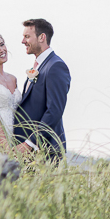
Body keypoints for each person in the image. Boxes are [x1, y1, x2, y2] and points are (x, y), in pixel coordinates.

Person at [13, 18, 71, 161]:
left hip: (45, 150)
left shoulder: (55, 66)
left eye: (27, 36)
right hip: (29, 151)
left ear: (42, 37)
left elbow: (54, 110)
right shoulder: (40, 65)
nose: (22, 41)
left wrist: (30, 143)